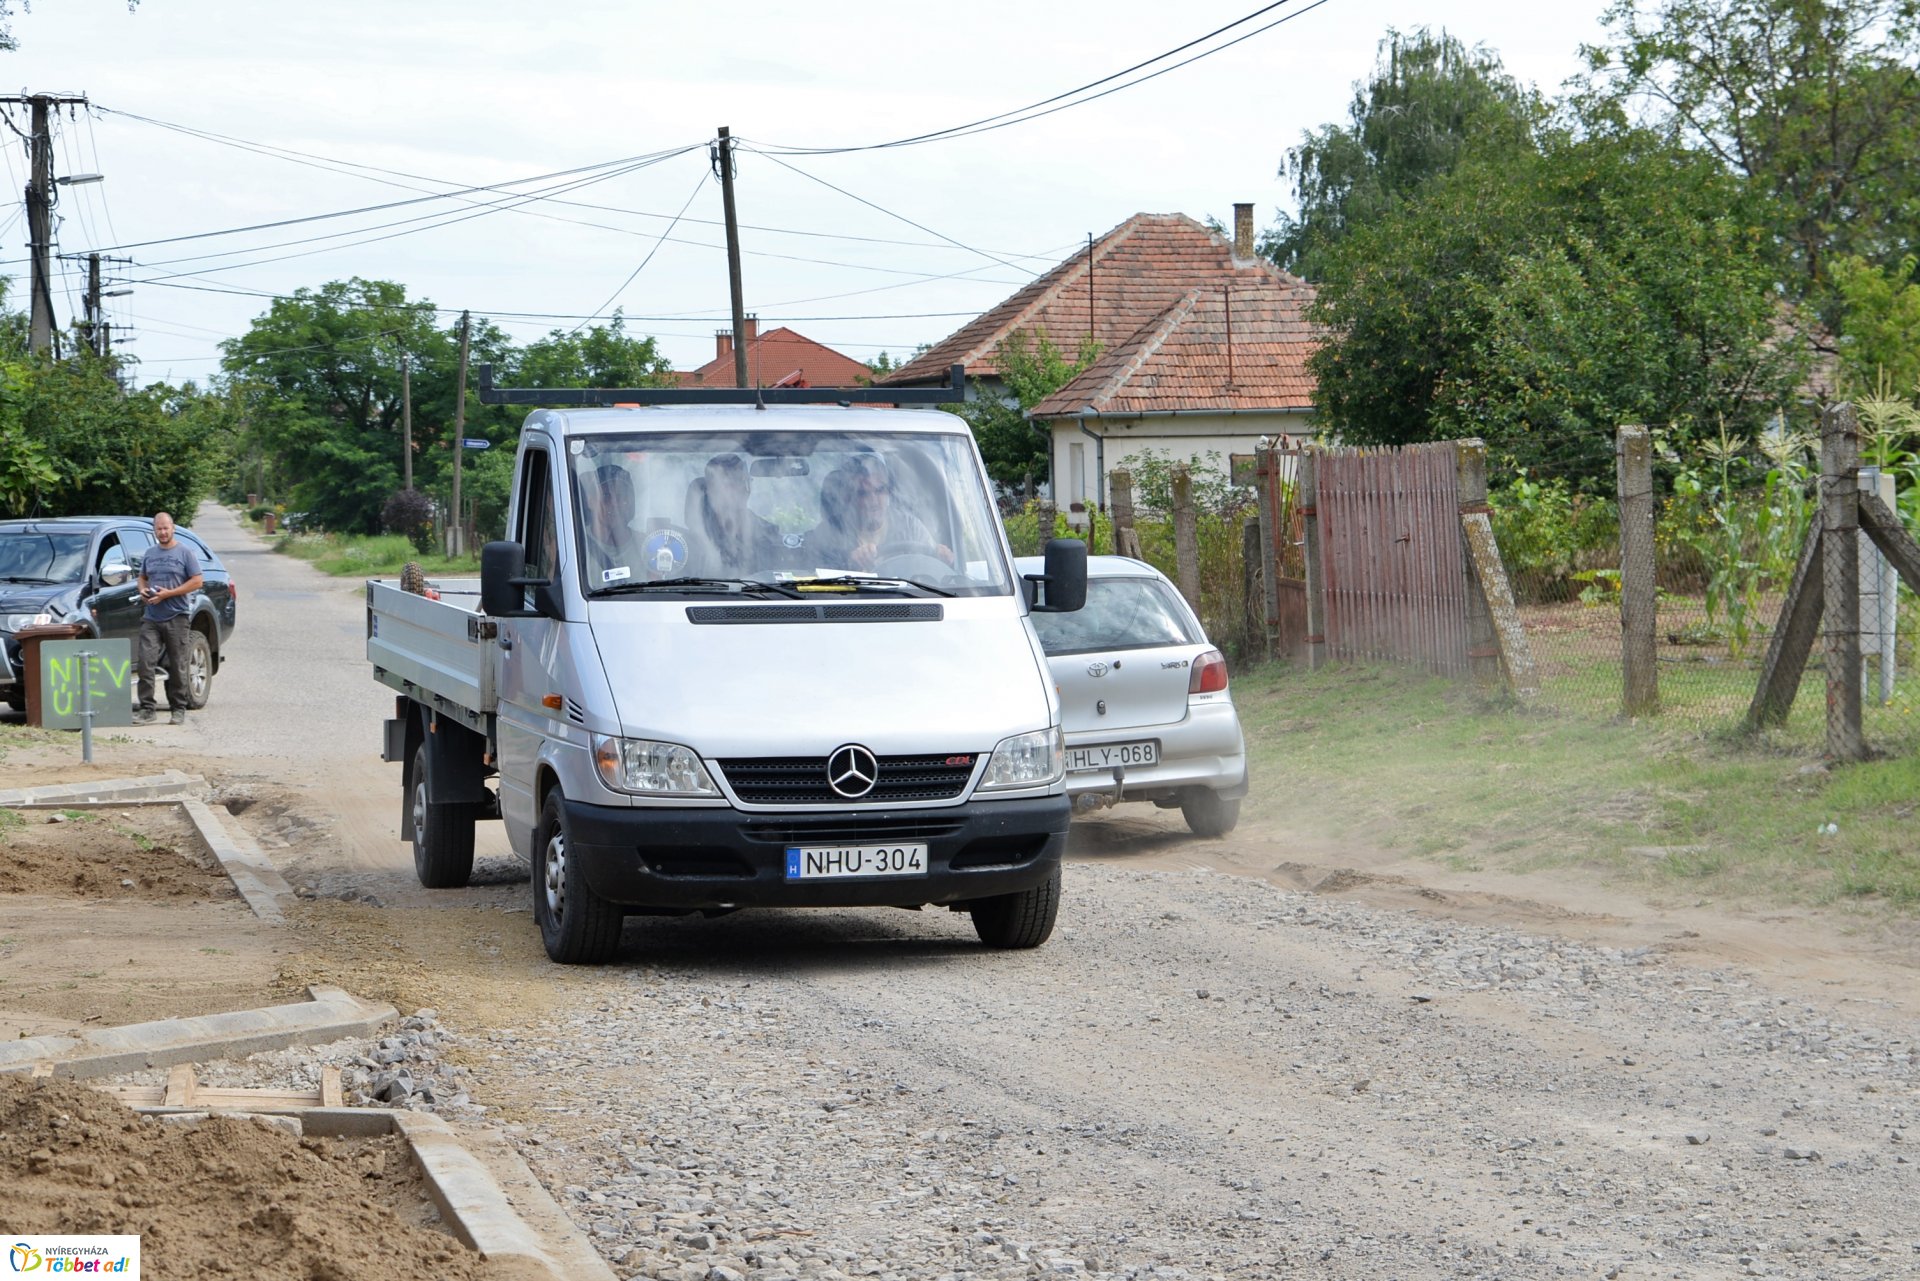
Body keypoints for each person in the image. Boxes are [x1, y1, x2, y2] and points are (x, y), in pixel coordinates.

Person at [811, 453, 950, 572]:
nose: (873, 500)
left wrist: (942, 557)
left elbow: (930, 571)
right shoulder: (830, 532)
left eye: (880, 490)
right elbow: (817, 586)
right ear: (849, 497)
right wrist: (849, 565)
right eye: (863, 493)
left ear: (889, 492)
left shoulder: (910, 527)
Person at [133, 511, 203, 725]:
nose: (162, 532)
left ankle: (178, 708)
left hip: (177, 616)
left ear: (172, 528)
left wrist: (168, 594)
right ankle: (147, 709)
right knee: (146, 662)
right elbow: (142, 578)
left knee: (177, 664)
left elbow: (197, 581)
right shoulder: (150, 553)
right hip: (152, 617)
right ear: (154, 530)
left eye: (165, 528)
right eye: (158, 529)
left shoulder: (185, 553)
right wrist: (144, 591)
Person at [687, 453, 785, 576]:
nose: (730, 493)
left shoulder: (770, 538)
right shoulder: (690, 545)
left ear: (747, 488)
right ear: (708, 491)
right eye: (723, 484)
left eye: (736, 482)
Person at [582, 464, 647, 584]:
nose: (614, 504)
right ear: (590, 501)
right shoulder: (578, 546)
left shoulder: (646, 547)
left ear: (628, 502)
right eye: (606, 496)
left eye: (620, 497)